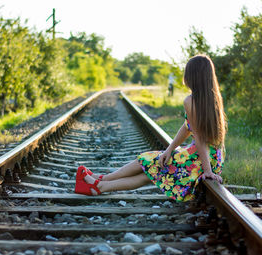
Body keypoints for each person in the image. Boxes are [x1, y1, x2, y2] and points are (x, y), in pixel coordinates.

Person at [75, 55, 226, 202]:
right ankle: (100, 182)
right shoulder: (213, 100)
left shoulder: (191, 101)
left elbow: (199, 138)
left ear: (191, 77)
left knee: (149, 164)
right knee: (151, 166)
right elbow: (188, 128)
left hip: (200, 161)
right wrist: (170, 149)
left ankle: (99, 184)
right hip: (210, 158)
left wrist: (207, 171)